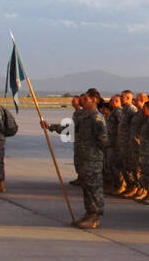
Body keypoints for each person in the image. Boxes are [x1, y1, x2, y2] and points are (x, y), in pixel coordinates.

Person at [45, 89, 106, 228]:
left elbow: (103, 142)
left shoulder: (97, 119)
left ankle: (95, 216)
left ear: (94, 100)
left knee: (94, 188)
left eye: (85, 99)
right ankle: (89, 213)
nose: (81, 101)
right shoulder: (84, 117)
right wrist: (50, 127)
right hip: (83, 158)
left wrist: (96, 156)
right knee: (86, 188)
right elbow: (69, 129)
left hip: (93, 160)